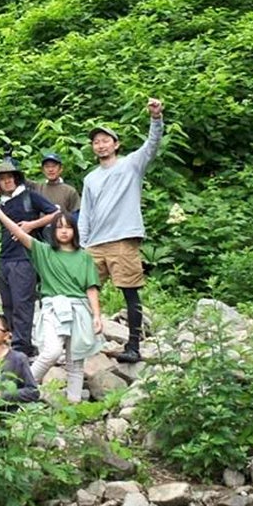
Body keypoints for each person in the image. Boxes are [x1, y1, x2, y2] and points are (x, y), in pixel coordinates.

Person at [78, 99, 165, 363]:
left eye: (106, 140)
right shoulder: (90, 178)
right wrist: (82, 244)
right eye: (96, 142)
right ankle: (82, 342)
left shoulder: (131, 165)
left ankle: (134, 345)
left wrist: (156, 118)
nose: (101, 144)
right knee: (82, 292)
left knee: (130, 291)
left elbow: (152, 146)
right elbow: (86, 213)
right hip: (95, 243)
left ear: (115, 144)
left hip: (123, 239)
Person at [0, 207, 103, 403]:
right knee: (52, 351)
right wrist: (0, 214)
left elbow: (91, 288)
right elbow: (19, 233)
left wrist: (97, 316)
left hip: (80, 309)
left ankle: (73, 405)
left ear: (75, 230)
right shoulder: (44, 251)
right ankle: (17, 389)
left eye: (68, 228)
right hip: (53, 307)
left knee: (76, 360)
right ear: (53, 232)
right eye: (59, 228)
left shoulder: (85, 257)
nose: (64, 231)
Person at [0, 161, 57, 357]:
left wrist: (31, 225)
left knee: (23, 303)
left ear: (16, 178)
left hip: (25, 257)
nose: (7, 181)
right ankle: (14, 343)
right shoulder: (0, 204)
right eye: (2, 179)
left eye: (10, 177)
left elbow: (56, 213)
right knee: (8, 304)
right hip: (5, 258)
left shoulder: (29, 196)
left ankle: (21, 348)